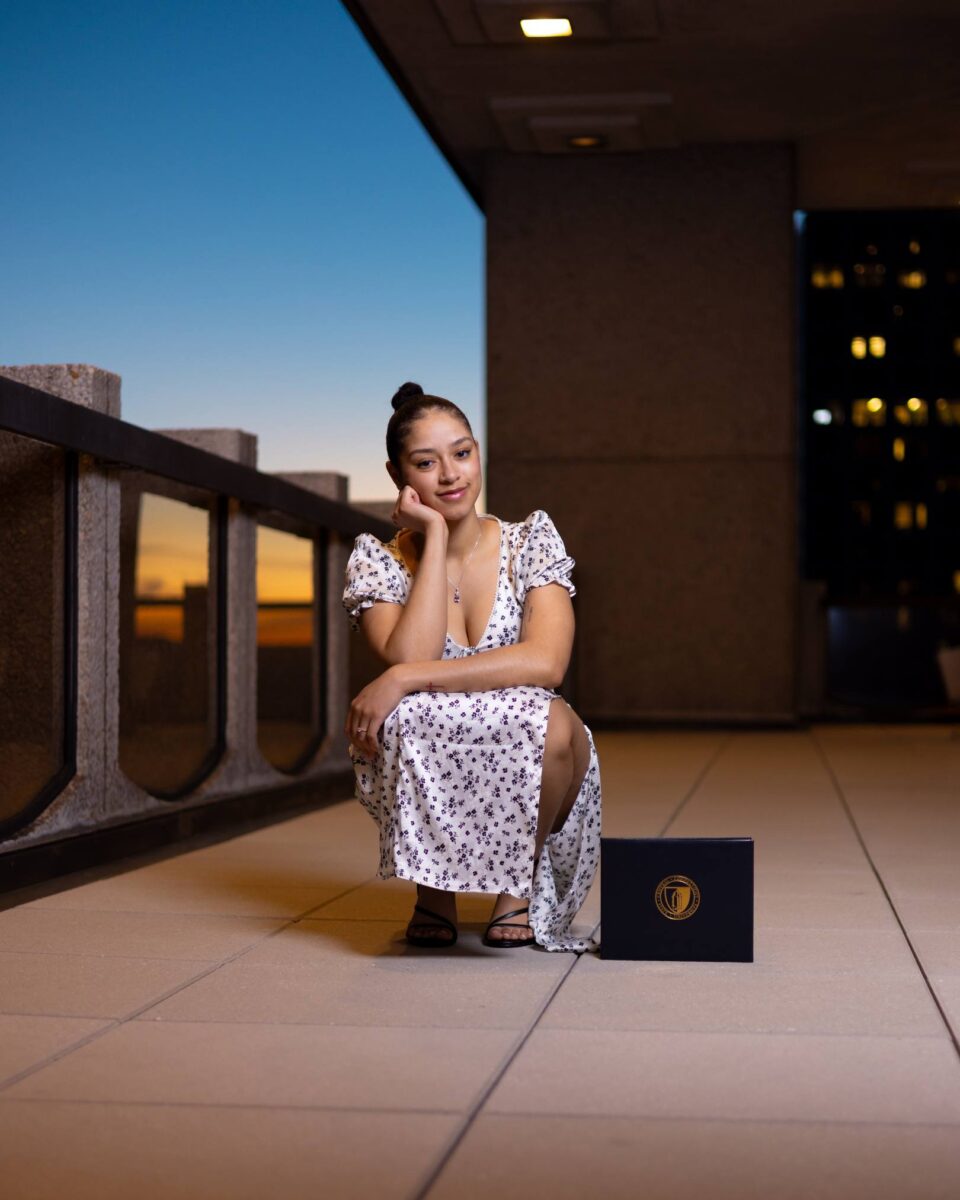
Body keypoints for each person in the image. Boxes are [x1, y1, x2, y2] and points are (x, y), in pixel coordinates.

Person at [341, 382, 601, 952]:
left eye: (462, 453)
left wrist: (404, 680)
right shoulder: (379, 559)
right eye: (426, 463)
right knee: (407, 720)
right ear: (398, 475)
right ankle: (433, 891)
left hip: (524, 736)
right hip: (434, 744)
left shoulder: (529, 539)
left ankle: (518, 890)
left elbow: (547, 661)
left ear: (478, 452)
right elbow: (414, 651)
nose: (451, 475)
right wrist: (432, 536)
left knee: (553, 723)